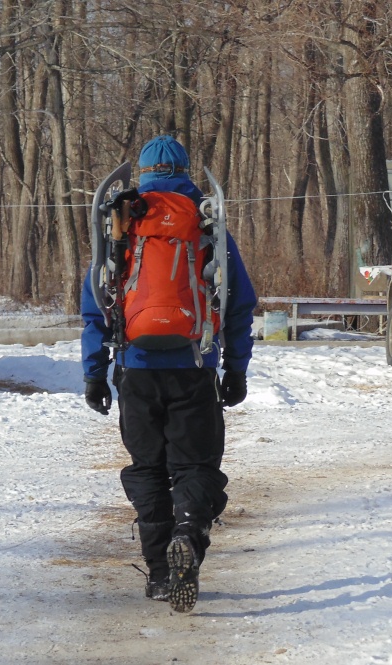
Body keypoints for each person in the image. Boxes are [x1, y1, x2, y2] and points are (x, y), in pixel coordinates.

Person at [80, 135, 257, 613]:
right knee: (196, 466)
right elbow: (239, 304)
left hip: (134, 369)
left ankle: (160, 573)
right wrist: (236, 369)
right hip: (193, 366)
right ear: (184, 169)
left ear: (142, 172)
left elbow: (96, 305)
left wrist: (95, 375)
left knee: (148, 469)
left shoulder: (122, 219)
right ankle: (187, 534)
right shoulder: (204, 223)